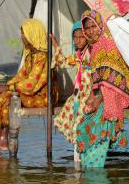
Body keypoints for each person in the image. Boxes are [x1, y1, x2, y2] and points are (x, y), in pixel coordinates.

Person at [0, 18, 58, 150]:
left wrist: (8, 88)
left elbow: (31, 85)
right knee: (0, 94)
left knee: (6, 97)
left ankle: (4, 139)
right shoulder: (30, 55)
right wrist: (2, 86)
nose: (21, 37)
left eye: (24, 33)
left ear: (32, 34)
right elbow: (20, 77)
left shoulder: (43, 57)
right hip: (33, 94)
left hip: (43, 97)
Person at [76, 10, 129, 168]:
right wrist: (92, 97)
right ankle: (92, 160)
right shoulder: (93, 46)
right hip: (105, 91)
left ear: (99, 25)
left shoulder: (108, 41)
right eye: (87, 28)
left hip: (121, 89)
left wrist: (97, 100)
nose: (90, 31)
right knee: (86, 120)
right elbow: (98, 79)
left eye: (93, 26)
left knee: (100, 119)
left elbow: (111, 78)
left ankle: (95, 162)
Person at [51, 21, 91, 167]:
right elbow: (63, 62)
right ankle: (78, 155)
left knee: (79, 123)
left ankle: (79, 156)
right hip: (79, 94)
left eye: (82, 37)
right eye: (75, 37)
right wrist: (56, 46)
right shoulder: (78, 55)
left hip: (88, 94)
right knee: (69, 117)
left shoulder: (90, 53)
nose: (78, 40)